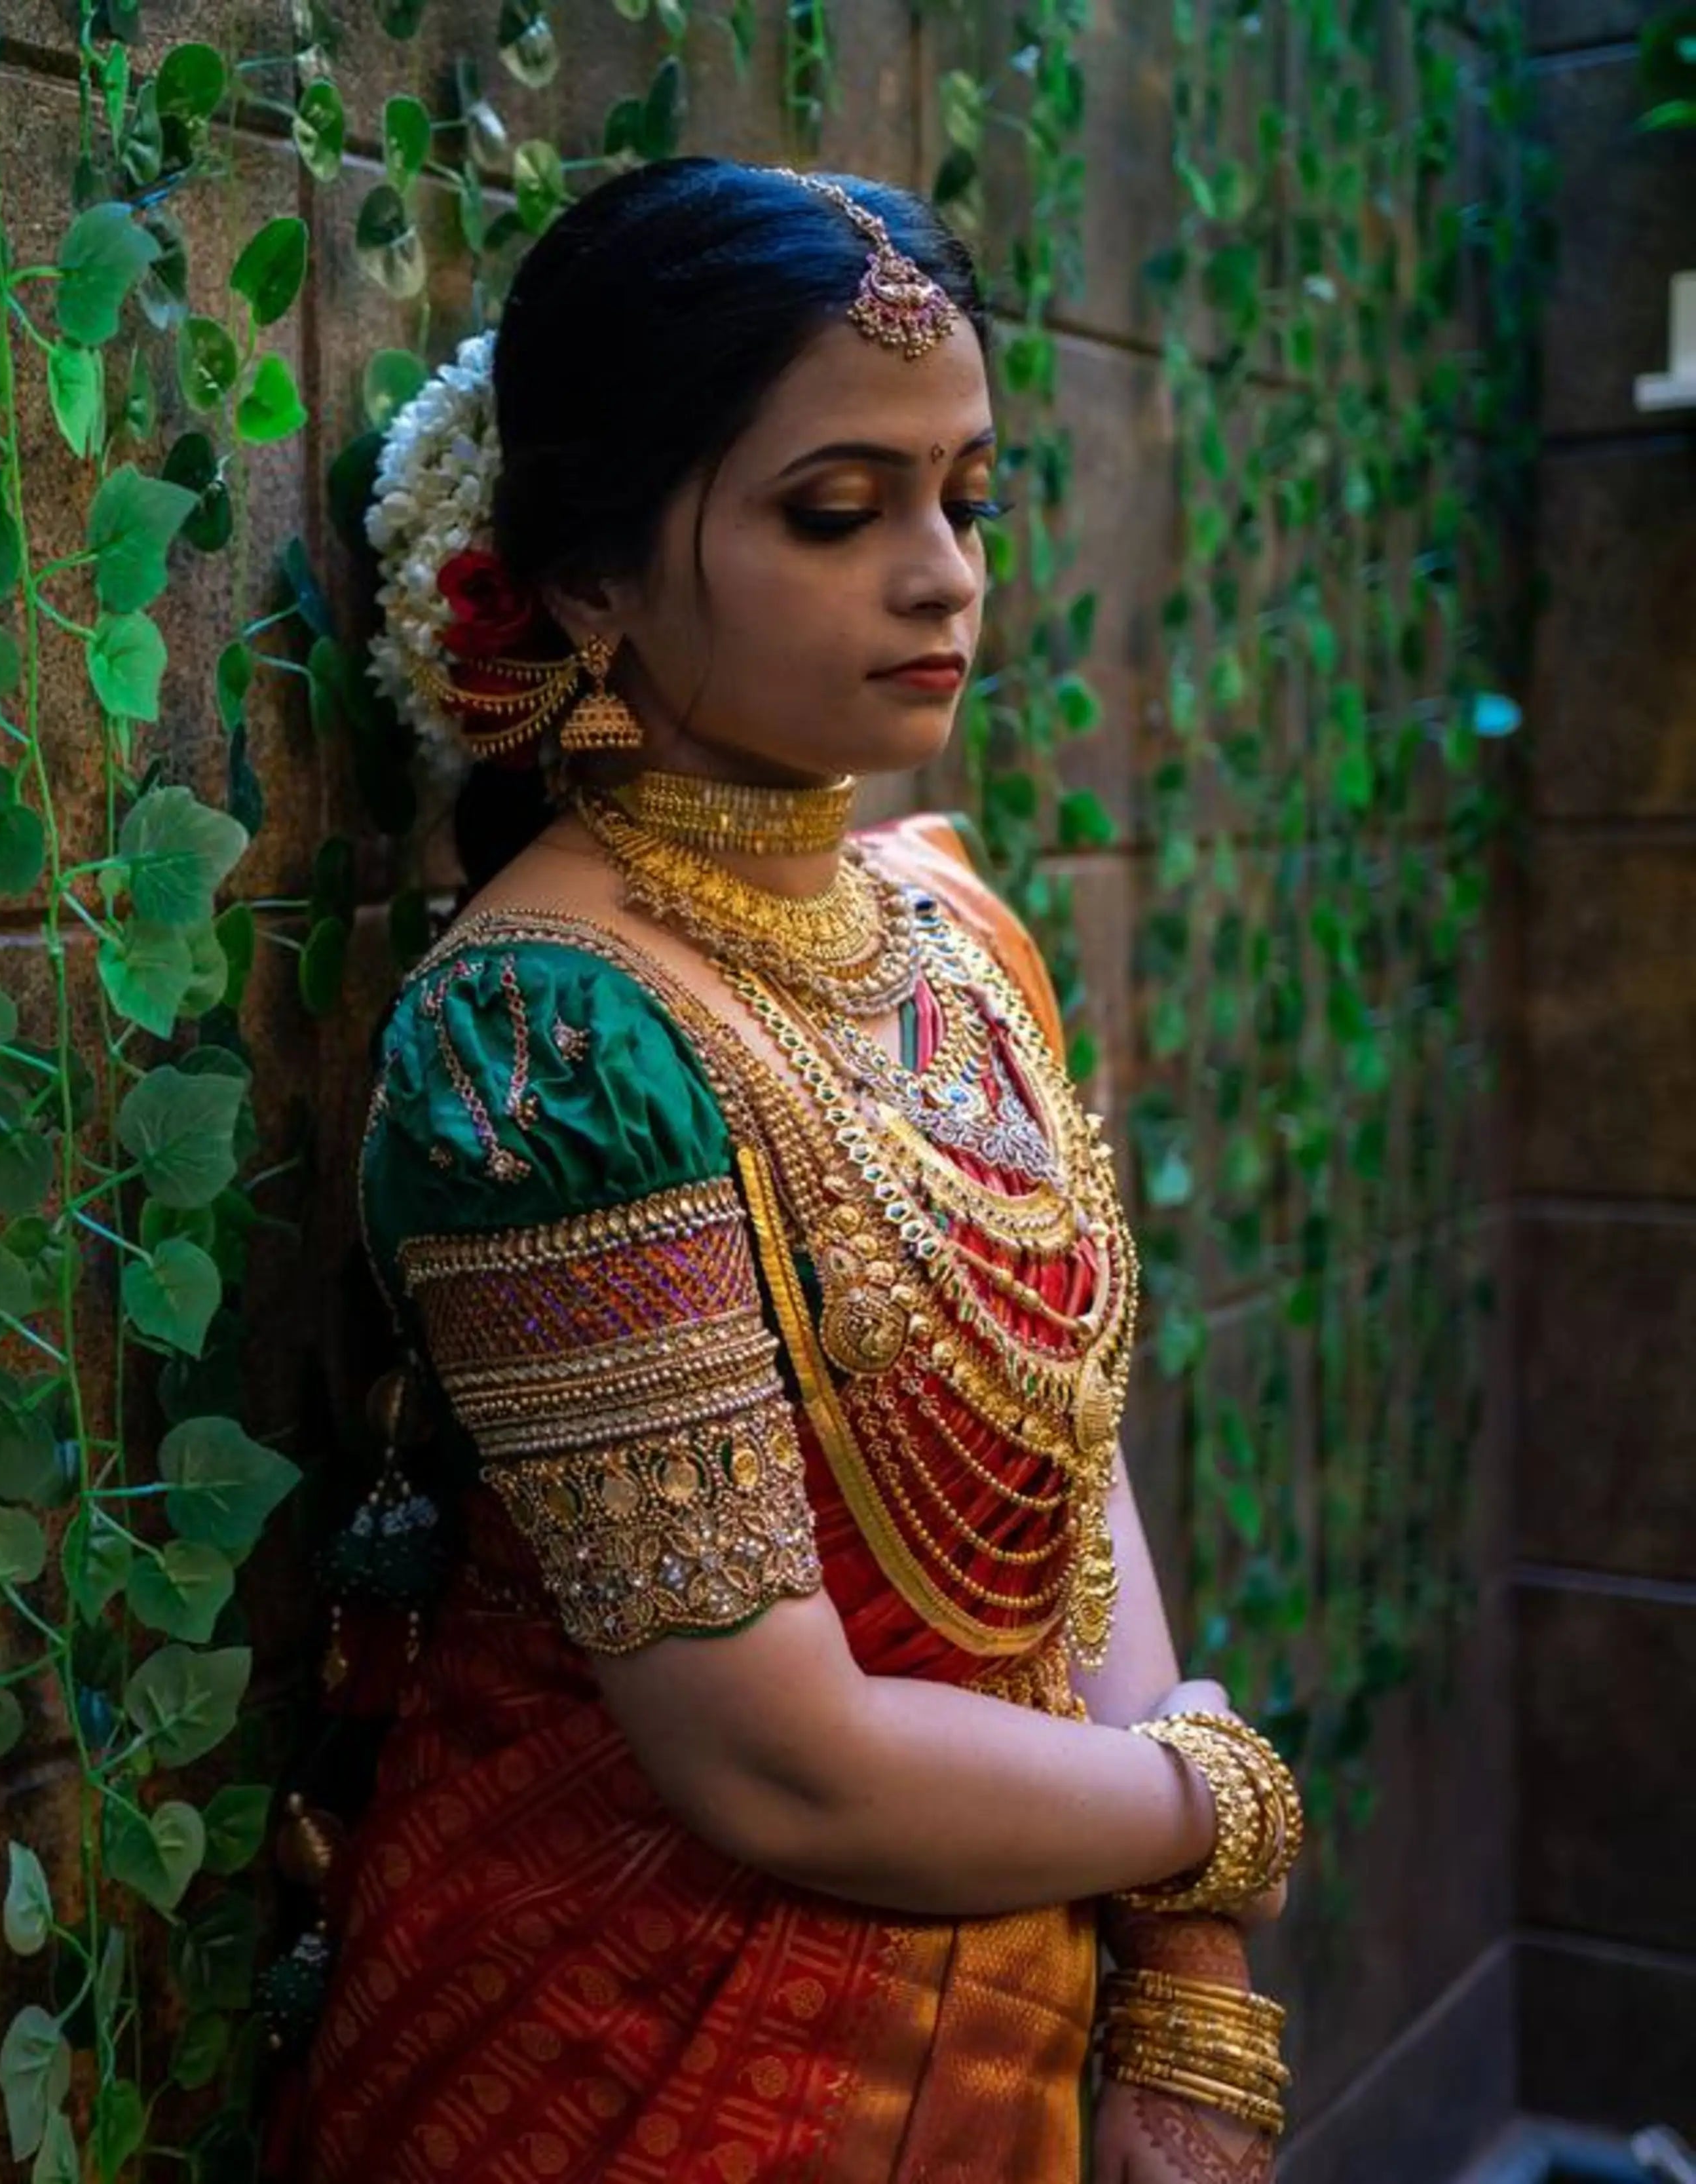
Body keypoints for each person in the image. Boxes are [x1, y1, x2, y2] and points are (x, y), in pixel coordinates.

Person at [264, 159, 1306, 2183]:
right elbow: (779, 1769)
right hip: (624, 2062)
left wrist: (1189, 1980)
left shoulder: (959, 929)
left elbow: (1073, 1475)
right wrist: (1222, 1811)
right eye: (839, 511)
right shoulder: (551, 1044)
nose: (941, 576)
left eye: (966, 499)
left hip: (1014, 1986)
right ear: (586, 581)